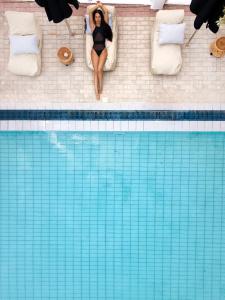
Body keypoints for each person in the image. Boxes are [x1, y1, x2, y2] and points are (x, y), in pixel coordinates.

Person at [89, 1, 113, 100]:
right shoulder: (92, 26)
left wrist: (101, 6)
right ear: (94, 18)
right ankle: (97, 92)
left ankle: (101, 86)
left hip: (103, 49)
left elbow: (106, 12)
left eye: (99, 16)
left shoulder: (105, 25)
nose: (97, 18)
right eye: (96, 17)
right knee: (95, 71)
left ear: (101, 17)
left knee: (99, 70)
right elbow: (90, 12)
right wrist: (96, 6)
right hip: (94, 50)